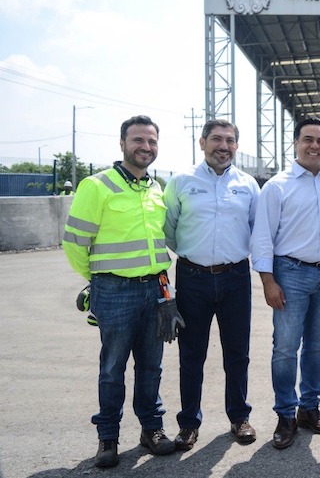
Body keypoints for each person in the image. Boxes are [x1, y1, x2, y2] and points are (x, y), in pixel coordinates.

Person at [62, 115, 175, 468]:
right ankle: (107, 438)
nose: (146, 147)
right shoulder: (97, 186)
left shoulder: (156, 188)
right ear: (122, 143)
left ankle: (151, 429)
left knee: (151, 366)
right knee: (112, 368)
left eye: (152, 141)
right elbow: (74, 243)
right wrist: (99, 280)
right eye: (138, 140)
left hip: (156, 289)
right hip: (114, 290)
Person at [251, 117, 320, 450]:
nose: (314, 145)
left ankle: (310, 409)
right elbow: (262, 237)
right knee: (286, 348)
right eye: (308, 139)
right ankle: (285, 414)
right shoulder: (277, 186)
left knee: (317, 345)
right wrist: (268, 280)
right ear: (296, 143)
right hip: (291, 273)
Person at [163, 119, 261, 451]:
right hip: (192, 279)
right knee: (191, 354)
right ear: (202, 142)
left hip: (236, 278)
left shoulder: (248, 184)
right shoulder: (181, 182)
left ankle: (239, 417)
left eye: (230, 140)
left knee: (238, 353)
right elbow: (169, 229)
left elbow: (255, 228)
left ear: (236, 145)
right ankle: (189, 423)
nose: (223, 146)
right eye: (216, 139)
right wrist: (195, 257)